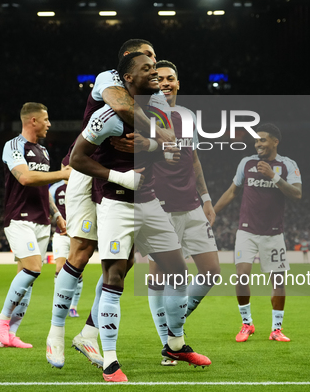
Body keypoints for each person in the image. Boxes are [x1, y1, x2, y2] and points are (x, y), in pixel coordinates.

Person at [69, 52, 211, 382]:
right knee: (114, 277)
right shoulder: (108, 116)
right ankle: (111, 362)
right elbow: (77, 158)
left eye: (157, 70)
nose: (155, 75)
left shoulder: (159, 110)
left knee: (177, 270)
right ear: (128, 78)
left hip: (149, 202)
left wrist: (151, 144)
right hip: (116, 203)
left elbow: (173, 152)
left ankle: (175, 344)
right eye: (146, 70)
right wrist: (118, 176)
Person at [47, 39, 175, 370]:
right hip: (87, 171)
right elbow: (122, 109)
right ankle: (56, 333)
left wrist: (155, 139)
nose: (154, 64)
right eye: (148, 58)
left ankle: (88, 333)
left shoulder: (153, 92)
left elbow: (170, 133)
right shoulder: (109, 78)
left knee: (124, 260)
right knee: (82, 249)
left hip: (120, 176)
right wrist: (159, 136)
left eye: (155, 60)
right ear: (128, 65)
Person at [111, 60, 219, 366]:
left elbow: (194, 159)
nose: (165, 82)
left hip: (192, 205)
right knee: (161, 279)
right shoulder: (140, 115)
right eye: (159, 78)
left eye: (171, 78)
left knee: (210, 271)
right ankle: (170, 344)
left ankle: (174, 328)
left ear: (178, 83)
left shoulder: (186, 117)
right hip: (159, 204)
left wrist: (207, 197)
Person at [214, 123, 302, 343]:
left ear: (275, 141)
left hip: (273, 233)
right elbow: (233, 191)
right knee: (242, 276)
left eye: (262, 140)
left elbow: (297, 194)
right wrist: (212, 213)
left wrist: (274, 176)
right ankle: (246, 324)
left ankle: (276, 330)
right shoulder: (247, 162)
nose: (258, 144)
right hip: (247, 231)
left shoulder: (287, 165)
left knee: (278, 282)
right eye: (256, 141)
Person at [0, 103, 70, 349]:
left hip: (41, 220)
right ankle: (2, 320)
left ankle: (11, 335)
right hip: (19, 218)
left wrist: (56, 214)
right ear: (33, 120)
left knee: (25, 278)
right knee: (33, 268)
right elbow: (25, 178)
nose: (49, 124)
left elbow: (42, 187)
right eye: (46, 120)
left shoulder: (44, 152)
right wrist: (61, 174)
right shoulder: (13, 146)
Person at [48, 167, 83, 318]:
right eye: (65, 167)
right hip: (61, 234)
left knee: (78, 272)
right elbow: (50, 208)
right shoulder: (55, 188)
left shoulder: (81, 185)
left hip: (78, 234)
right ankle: (58, 303)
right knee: (59, 267)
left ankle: (73, 306)